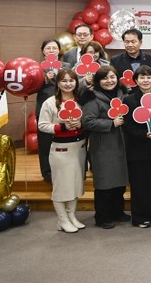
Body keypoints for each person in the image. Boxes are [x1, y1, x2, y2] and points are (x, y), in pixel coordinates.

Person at [37, 68, 86, 233]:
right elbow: (42, 125)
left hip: (79, 148)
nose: (68, 84)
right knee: (61, 187)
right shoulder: (50, 102)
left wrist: (81, 124)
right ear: (57, 83)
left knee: (75, 184)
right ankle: (62, 219)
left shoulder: (80, 100)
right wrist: (62, 127)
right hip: (61, 150)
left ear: (76, 82)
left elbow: (87, 119)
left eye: (71, 80)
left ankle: (71, 216)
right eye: (64, 81)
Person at [81, 65, 130, 229]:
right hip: (103, 147)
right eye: (104, 78)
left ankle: (117, 212)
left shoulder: (124, 95)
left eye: (112, 77)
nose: (109, 81)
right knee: (104, 183)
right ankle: (102, 217)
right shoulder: (92, 98)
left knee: (120, 183)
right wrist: (110, 123)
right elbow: (87, 121)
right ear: (98, 81)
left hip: (122, 145)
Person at [121, 65, 151, 228]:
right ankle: (140, 216)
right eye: (142, 77)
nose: (145, 80)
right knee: (140, 184)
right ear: (136, 80)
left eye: (148, 77)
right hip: (137, 148)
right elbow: (126, 125)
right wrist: (143, 133)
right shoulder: (129, 100)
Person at [35, 38, 71, 183]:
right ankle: (47, 173)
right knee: (45, 143)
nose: (51, 51)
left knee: (64, 140)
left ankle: (64, 170)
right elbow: (31, 87)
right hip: (44, 108)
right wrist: (43, 79)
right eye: (48, 48)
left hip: (64, 107)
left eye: (54, 48)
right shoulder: (37, 68)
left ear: (59, 50)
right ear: (43, 51)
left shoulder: (66, 66)